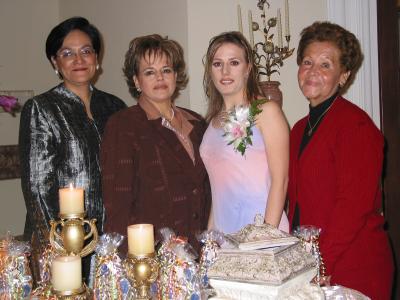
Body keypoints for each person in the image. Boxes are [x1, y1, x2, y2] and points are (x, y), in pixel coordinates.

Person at [288, 21, 394, 299]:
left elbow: (352, 207)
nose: (313, 71)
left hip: (353, 265)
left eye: (326, 65)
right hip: (314, 264)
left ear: (343, 75)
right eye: (308, 62)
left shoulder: (356, 126)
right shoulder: (299, 129)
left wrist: (321, 264)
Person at [19, 17, 126, 283]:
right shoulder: (42, 108)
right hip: (63, 241)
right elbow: (37, 188)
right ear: (55, 62)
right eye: (67, 53)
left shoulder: (114, 107)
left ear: (97, 58)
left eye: (86, 51)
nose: (78, 60)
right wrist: (60, 247)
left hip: (110, 238)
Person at [101, 34, 211, 252]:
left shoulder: (197, 123)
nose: (160, 77)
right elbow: (118, 204)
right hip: (154, 256)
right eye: (149, 72)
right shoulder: (123, 125)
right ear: (136, 81)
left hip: (200, 248)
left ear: (176, 75)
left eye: (166, 70)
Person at [200, 31, 289, 234]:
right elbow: (219, 190)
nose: (225, 71)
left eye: (234, 63)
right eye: (217, 64)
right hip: (225, 237)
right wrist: (211, 239)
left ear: (248, 68)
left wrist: (264, 237)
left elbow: (280, 181)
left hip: (262, 233)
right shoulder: (212, 122)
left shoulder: (267, 112)